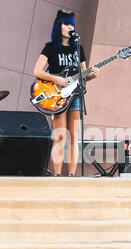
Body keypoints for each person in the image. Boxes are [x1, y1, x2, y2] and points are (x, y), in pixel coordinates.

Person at [33, 10, 99, 176]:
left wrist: (93, 74)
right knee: (60, 137)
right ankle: (57, 175)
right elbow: (37, 71)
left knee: (74, 138)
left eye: (72, 24)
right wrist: (57, 80)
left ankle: (71, 175)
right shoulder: (50, 48)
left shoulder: (78, 48)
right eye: (67, 24)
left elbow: (84, 76)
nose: (70, 27)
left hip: (75, 97)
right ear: (59, 26)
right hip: (57, 95)